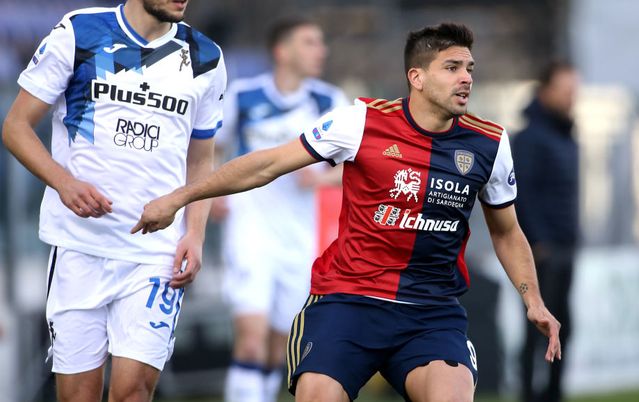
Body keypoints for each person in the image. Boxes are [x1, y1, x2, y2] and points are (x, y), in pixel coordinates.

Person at [133, 23, 561, 402]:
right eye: (452, 68)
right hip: (348, 301)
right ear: (417, 77)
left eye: (469, 68)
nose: (466, 78)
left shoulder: (489, 144)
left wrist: (533, 300)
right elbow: (266, 165)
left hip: (430, 312)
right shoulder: (360, 122)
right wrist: (179, 198)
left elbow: (506, 232)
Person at [1, 0, 226, 401]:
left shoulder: (206, 56)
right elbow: (15, 127)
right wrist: (64, 183)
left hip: (157, 253)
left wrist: (195, 233)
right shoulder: (80, 31)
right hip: (78, 247)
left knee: (133, 390)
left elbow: (201, 156)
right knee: (78, 395)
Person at [215, 16, 347, 402]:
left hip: (300, 240)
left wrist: (322, 178)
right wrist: (213, 194)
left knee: (279, 347)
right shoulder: (243, 96)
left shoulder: (329, 102)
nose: (320, 50)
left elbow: (359, 167)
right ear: (281, 51)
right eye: (309, 42)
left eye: (320, 42)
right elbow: (210, 150)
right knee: (251, 342)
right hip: (249, 232)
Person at [512, 61, 579, 402]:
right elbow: (521, 194)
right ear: (546, 91)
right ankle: (528, 394)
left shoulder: (565, 134)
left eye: (574, 91)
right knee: (535, 328)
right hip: (542, 251)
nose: (572, 98)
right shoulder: (530, 139)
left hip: (566, 247)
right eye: (566, 91)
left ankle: (552, 394)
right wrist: (538, 243)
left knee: (564, 328)